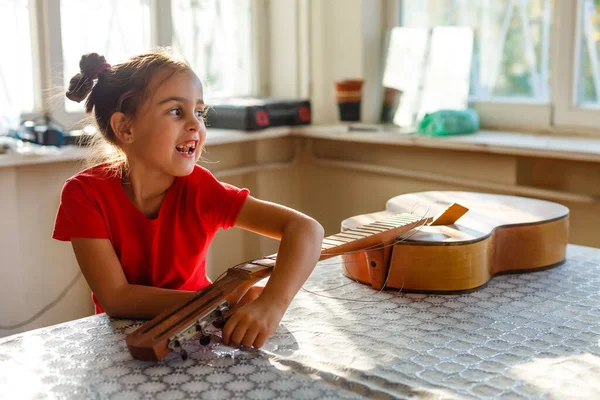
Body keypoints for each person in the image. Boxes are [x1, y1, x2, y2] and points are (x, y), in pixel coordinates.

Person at [52, 50, 324, 349]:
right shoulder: (84, 194)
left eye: (199, 112)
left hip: (200, 336)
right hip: (124, 345)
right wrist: (224, 300)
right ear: (125, 128)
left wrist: (271, 304)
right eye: (175, 112)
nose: (196, 125)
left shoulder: (200, 189)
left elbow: (307, 229)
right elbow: (117, 298)